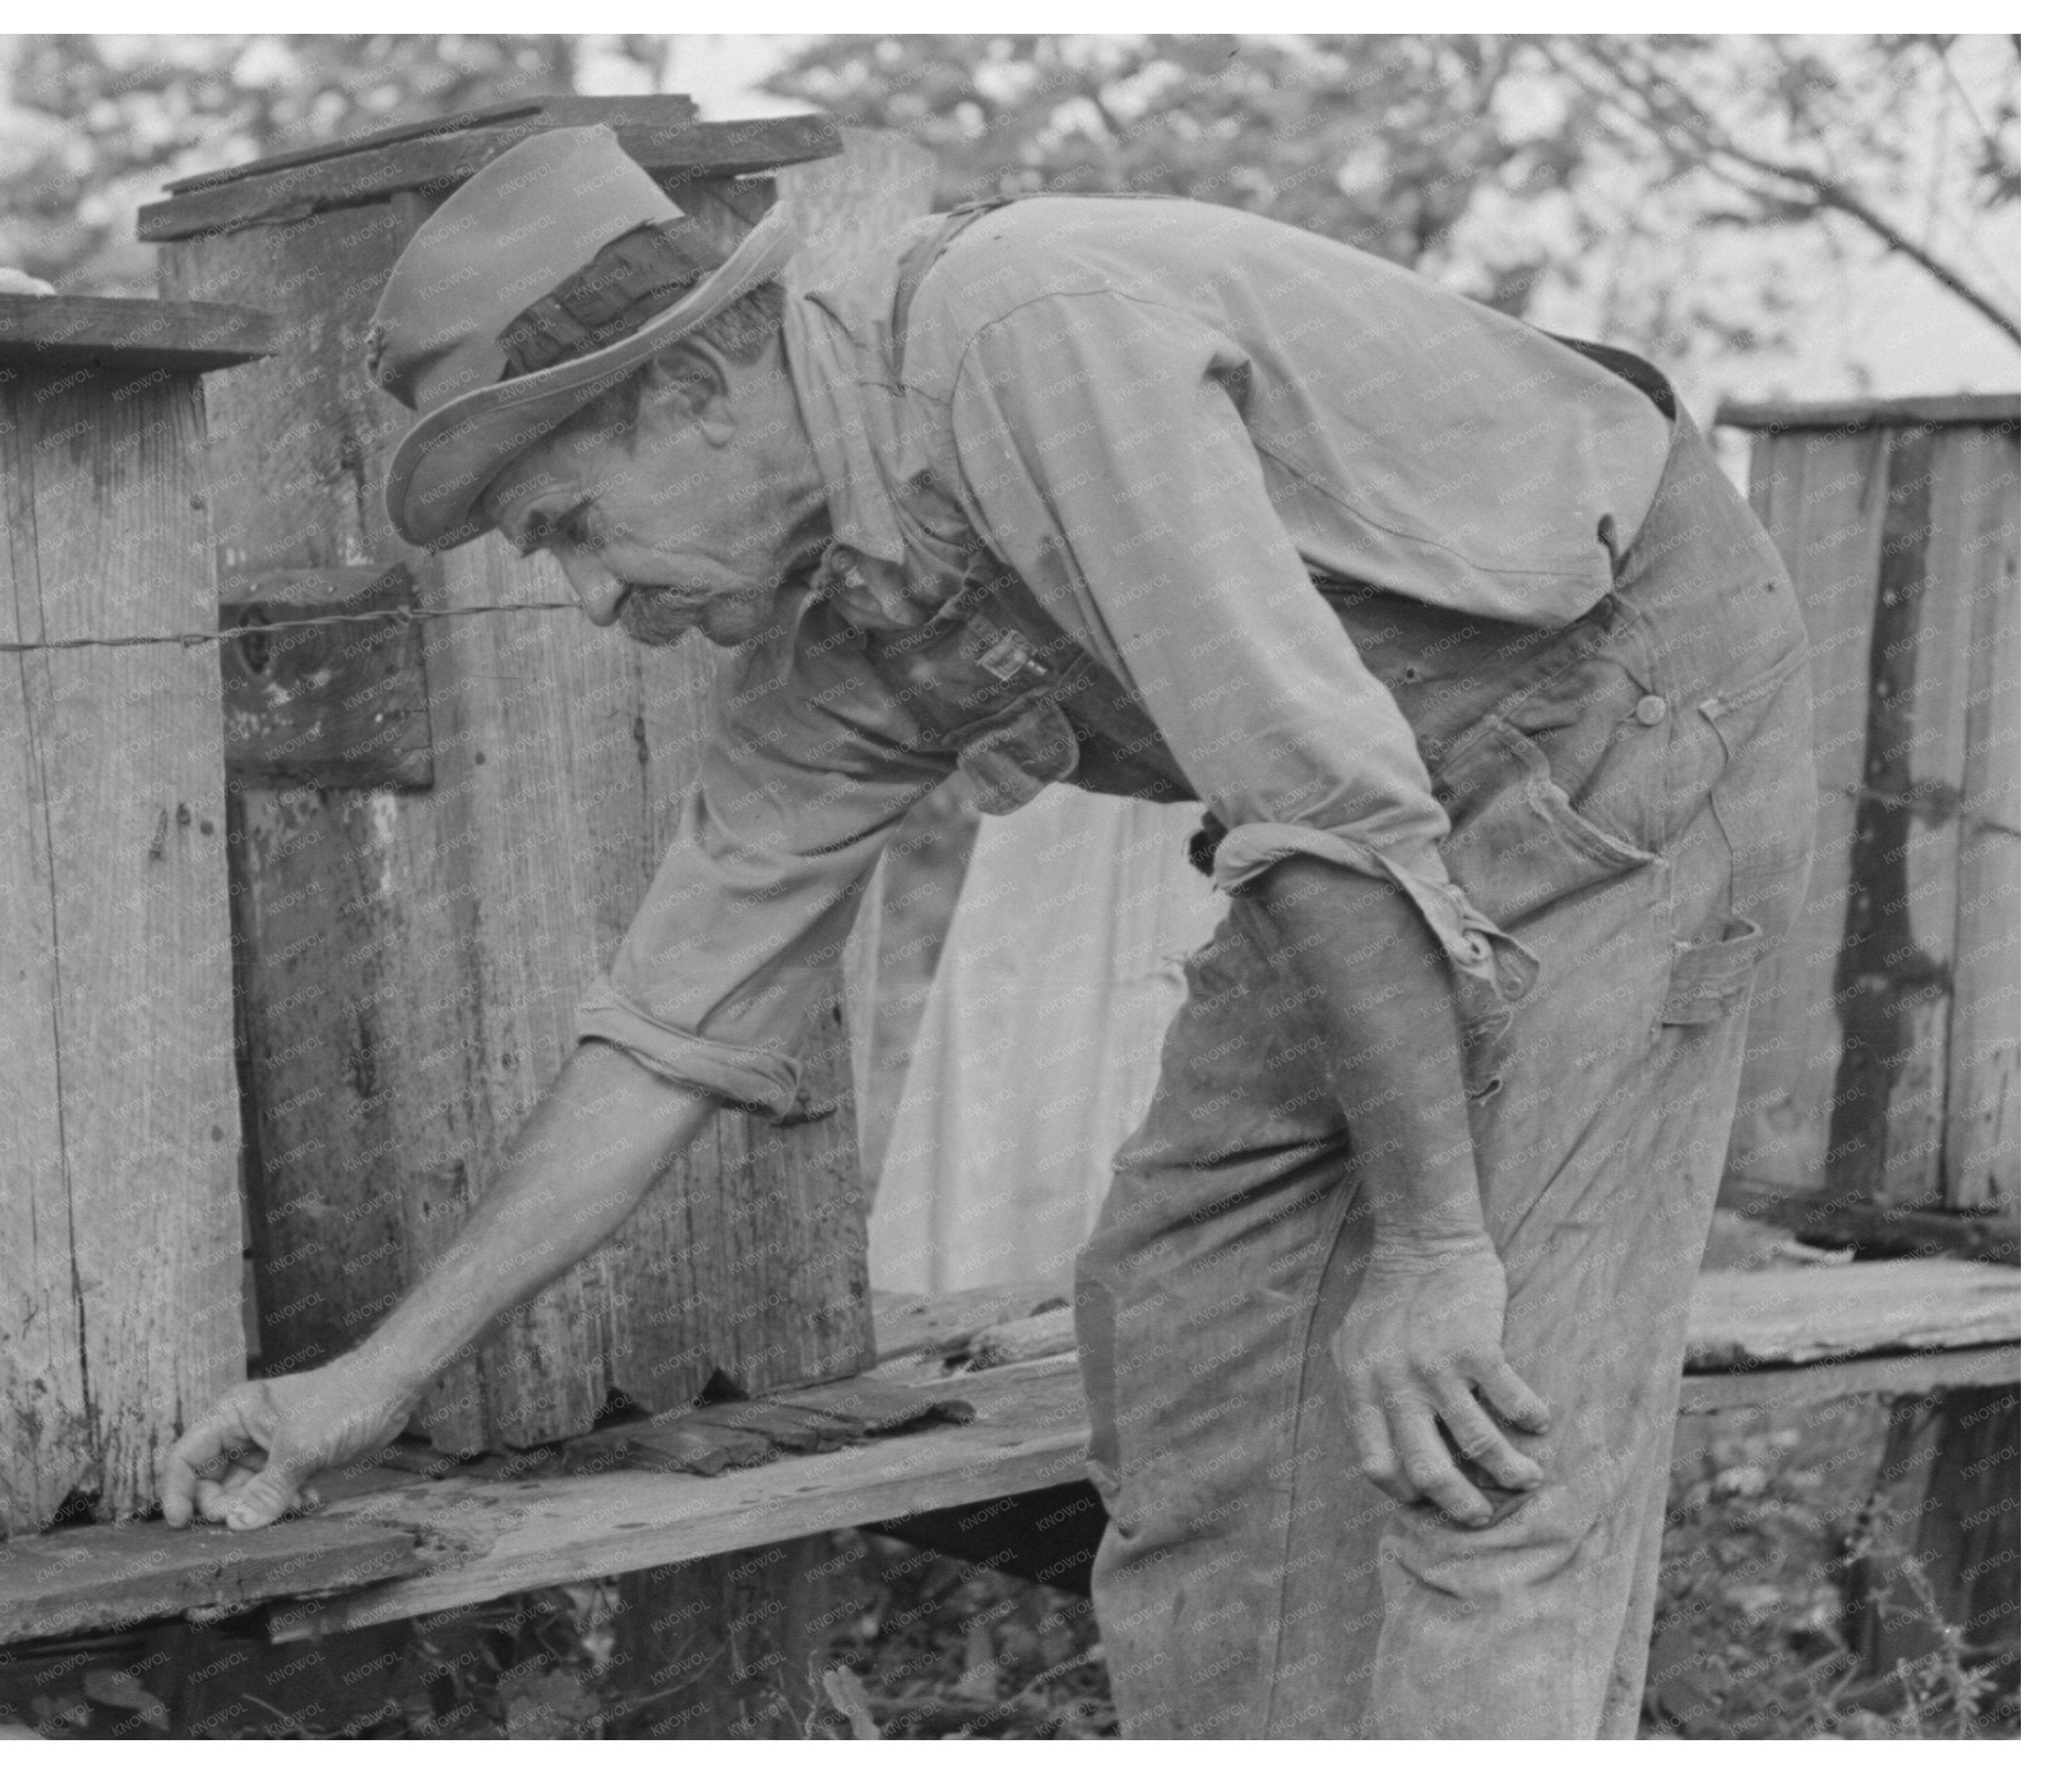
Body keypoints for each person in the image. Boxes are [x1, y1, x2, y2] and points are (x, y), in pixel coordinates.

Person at [160, 124, 1814, 1738]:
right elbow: (662, 1038)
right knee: (1187, 1336)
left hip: (1619, 718)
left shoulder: (1024, 339)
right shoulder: (837, 646)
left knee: (1485, 1428)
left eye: (574, 524)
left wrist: (1438, 1252)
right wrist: (373, 1377)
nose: (593, 598)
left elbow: (1315, 810)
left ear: (689, 388)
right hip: (1372, 819)